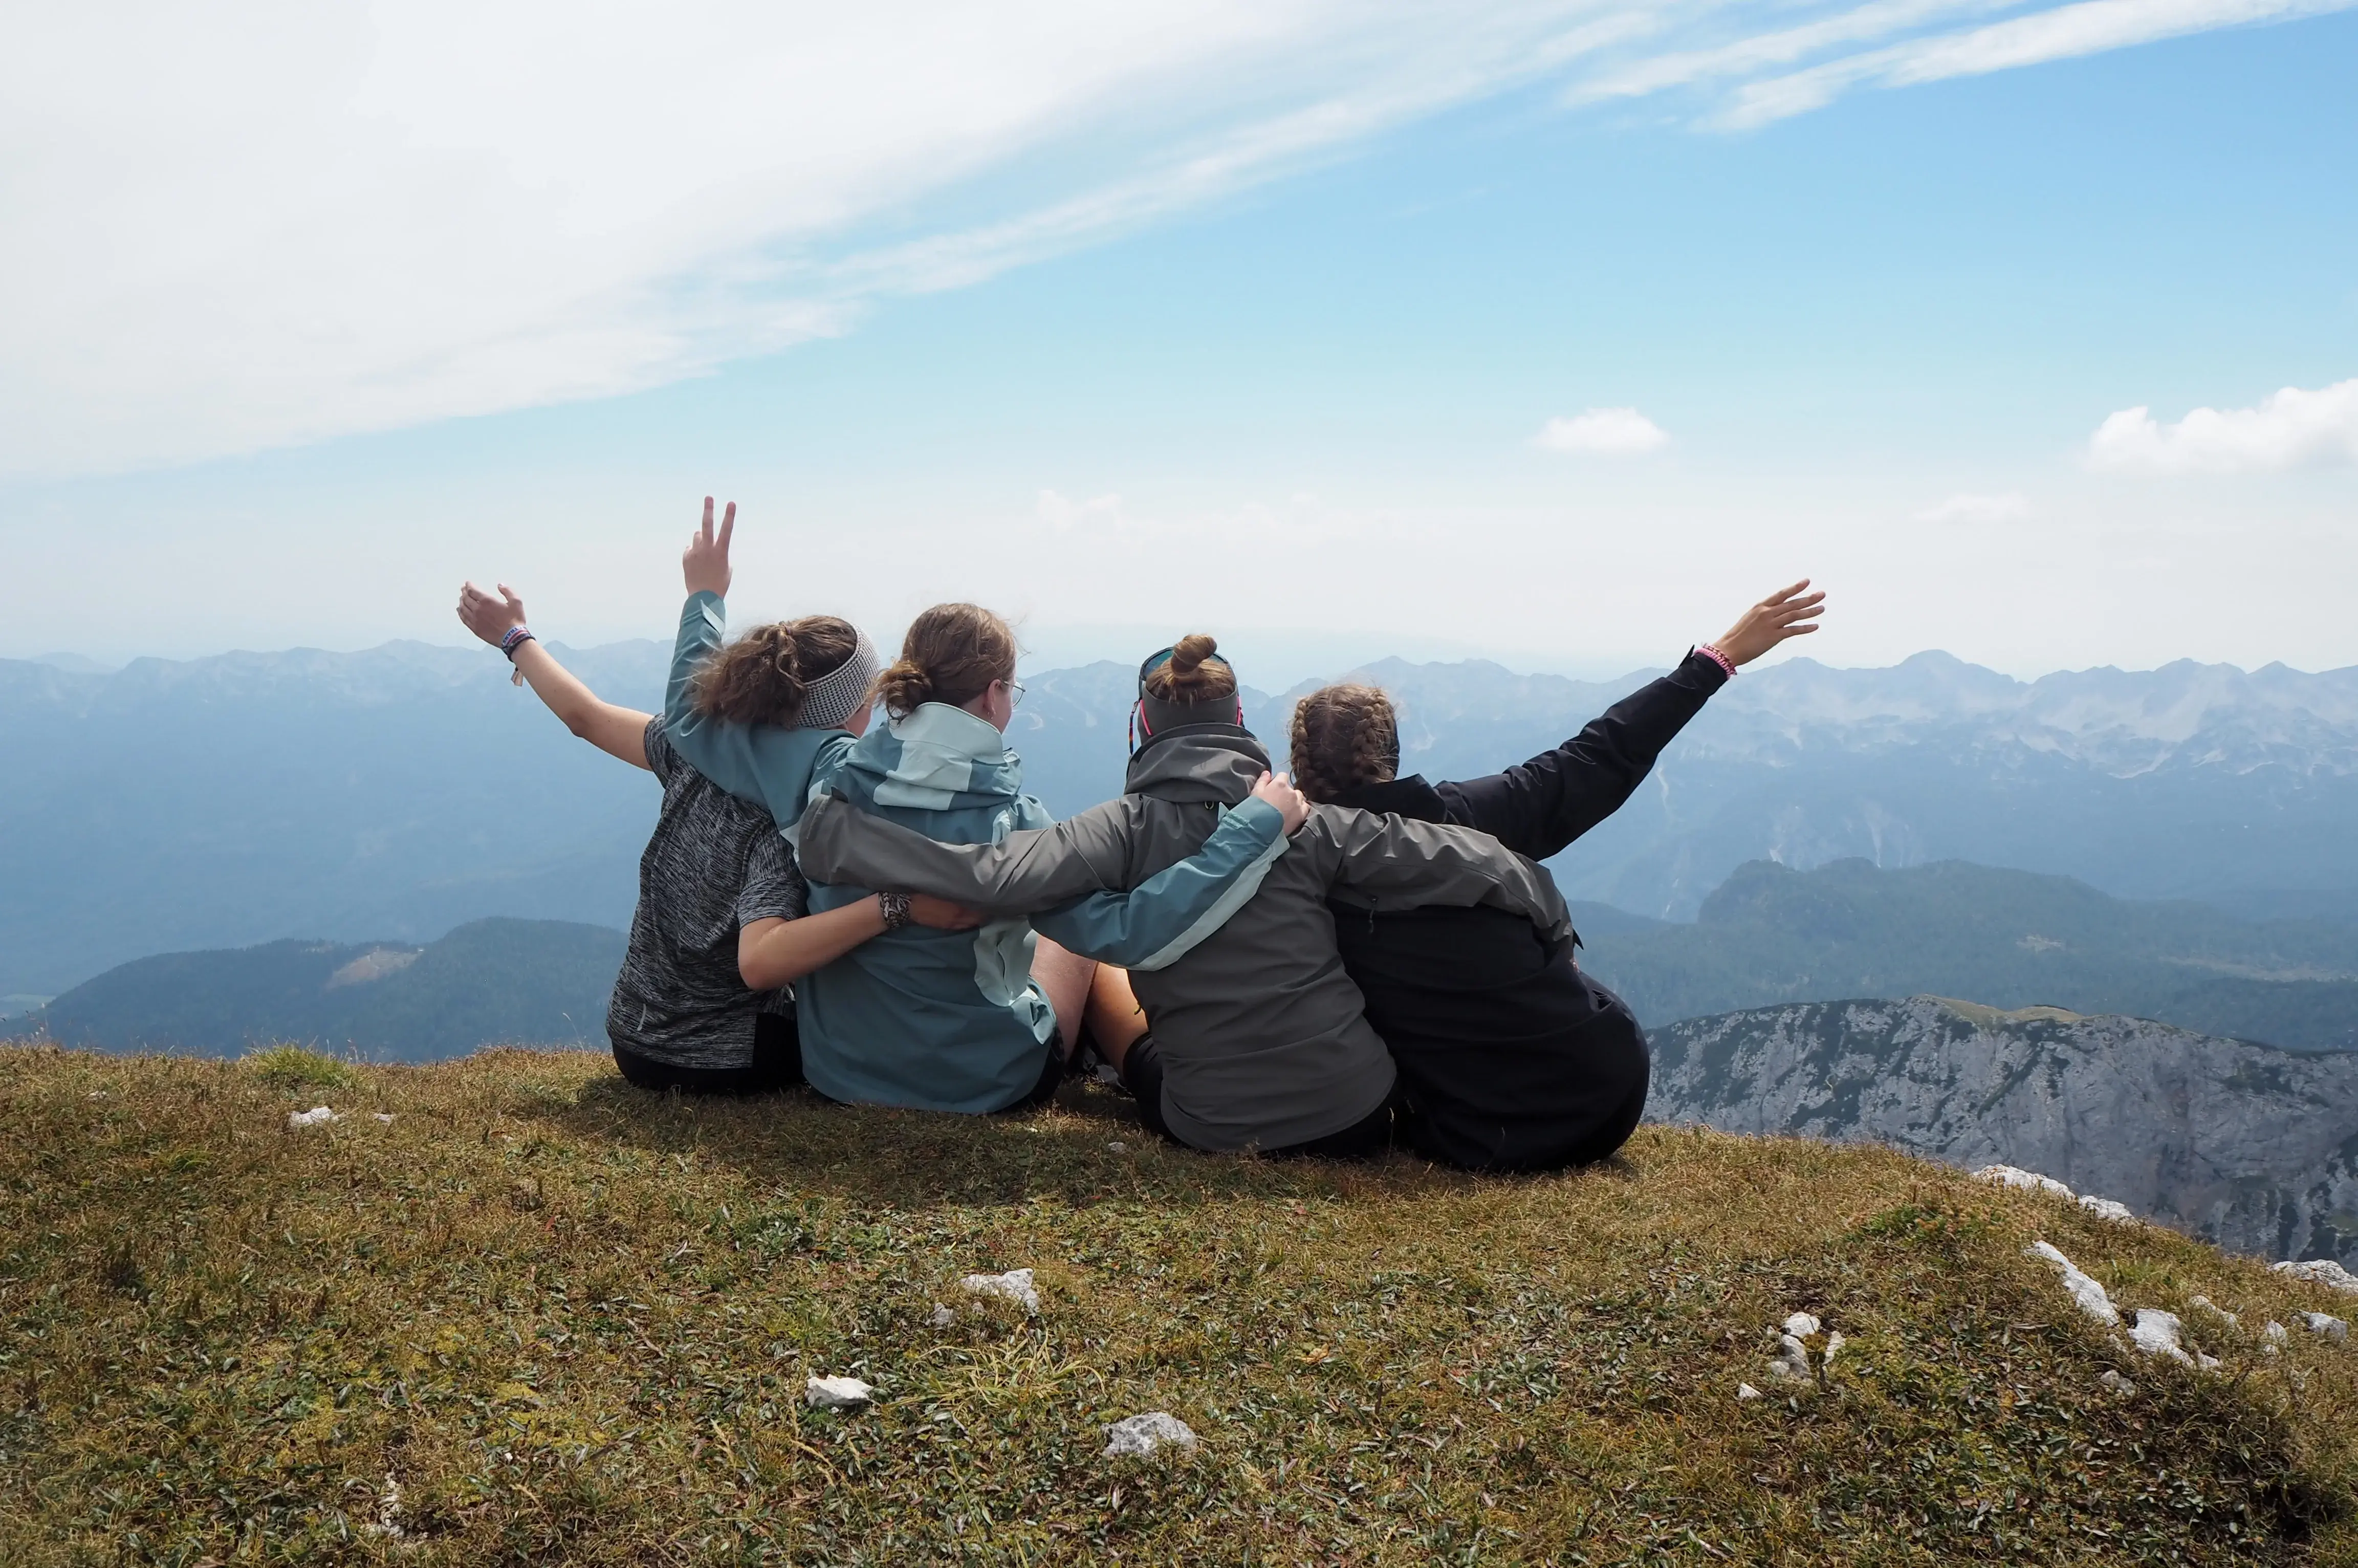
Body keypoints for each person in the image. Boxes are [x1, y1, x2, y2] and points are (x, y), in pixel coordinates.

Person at [791, 634, 1578, 1157]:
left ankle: (1111, 1065)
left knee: (1118, 999)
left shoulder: (1118, 831)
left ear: (1142, 725)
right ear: (1239, 720)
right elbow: (1471, 860)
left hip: (1212, 1126)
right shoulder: (1312, 822)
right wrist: (1548, 912)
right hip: (1359, 1113)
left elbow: (989, 877)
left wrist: (841, 840)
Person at [656, 501, 1302, 1116]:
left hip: (839, 1072)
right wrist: (1252, 830)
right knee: (1081, 945)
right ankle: (1127, 1066)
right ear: (995, 695)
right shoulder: (1021, 832)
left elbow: (688, 716)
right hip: (987, 1081)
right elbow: (1136, 933)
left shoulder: (825, 776)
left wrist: (704, 596)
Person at [1283, 579, 1828, 1169]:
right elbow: (1600, 754)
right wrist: (1714, 660)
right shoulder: (1472, 820)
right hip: (1602, 1093)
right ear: (1391, 751)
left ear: (1298, 767)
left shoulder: (1282, 866)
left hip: (1467, 1129)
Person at [453, 579, 980, 1095]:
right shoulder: (785, 818)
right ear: (845, 716)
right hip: (720, 1056)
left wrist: (515, 637)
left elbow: (585, 717)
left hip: (633, 1034)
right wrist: (895, 906)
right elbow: (760, 961)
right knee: (883, 1033)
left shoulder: (693, 750)